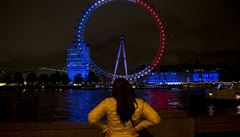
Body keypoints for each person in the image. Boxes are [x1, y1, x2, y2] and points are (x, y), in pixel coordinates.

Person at [88, 78, 161, 137]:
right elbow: (156, 119)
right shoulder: (139, 103)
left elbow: (92, 119)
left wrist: (105, 129)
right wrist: (137, 128)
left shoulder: (107, 102)